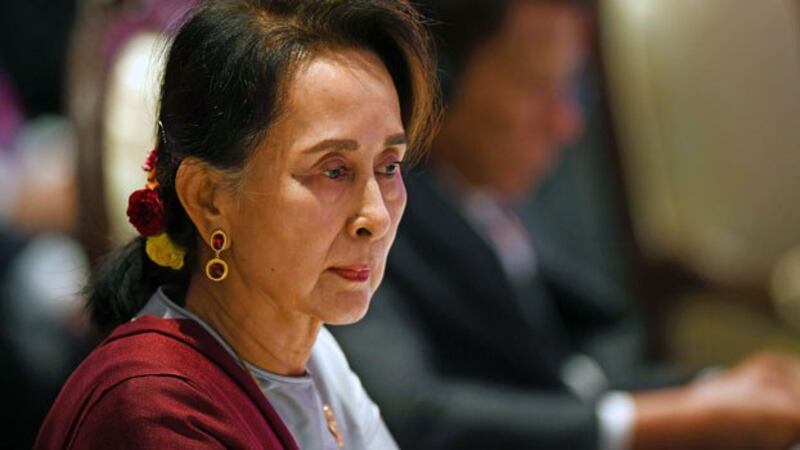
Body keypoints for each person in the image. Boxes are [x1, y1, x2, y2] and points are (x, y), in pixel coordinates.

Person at [331, 1, 800, 449]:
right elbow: (411, 415)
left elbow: (577, 368)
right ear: (439, 80)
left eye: (571, 88)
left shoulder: (494, 202)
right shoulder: (373, 225)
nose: (567, 122)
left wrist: (717, 388)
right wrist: (679, 419)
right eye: (539, 85)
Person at [35, 0, 438, 448]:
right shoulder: (153, 411)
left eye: (388, 166)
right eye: (333, 170)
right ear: (208, 199)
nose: (376, 217)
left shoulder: (319, 359)